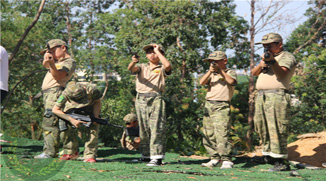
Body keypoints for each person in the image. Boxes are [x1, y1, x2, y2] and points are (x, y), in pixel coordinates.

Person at [251, 33, 296, 172]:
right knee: (262, 126)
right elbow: (254, 73)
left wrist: (273, 62)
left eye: (270, 45)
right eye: (265, 46)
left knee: (277, 127)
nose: (267, 48)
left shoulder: (287, 57)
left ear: (280, 44)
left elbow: (282, 74)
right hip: (262, 96)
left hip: (277, 96)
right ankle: (268, 155)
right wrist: (263, 63)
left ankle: (281, 161)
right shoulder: (266, 57)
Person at [128, 43, 172, 166]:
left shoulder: (162, 67)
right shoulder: (142, 66)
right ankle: (146, 155)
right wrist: (133, 62)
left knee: (156, 127)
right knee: (143, 128)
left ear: (161, 54)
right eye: (149, 52)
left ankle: (157, 157)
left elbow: (168, 65)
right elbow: (131, 69)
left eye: (154, 52)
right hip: (141, 98)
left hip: (155, 98)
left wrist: (158, 51)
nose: (152, 54)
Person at [34, 39, 76, 159]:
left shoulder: (69, 62)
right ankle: (63, 150)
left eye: (53, 51)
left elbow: (58, 77)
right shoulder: (57, 62)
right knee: (55, 122)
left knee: (51, 122)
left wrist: (52, 63)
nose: (51, 54)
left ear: (63, 48)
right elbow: (46, 64)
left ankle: (51, 152)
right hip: (49, 94)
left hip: (55, 92)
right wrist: (49, 59)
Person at [199, 51, 237, 169]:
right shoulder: (212, 73)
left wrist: (220, 71)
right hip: (209, 104)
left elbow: (232, 82)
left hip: (222, 105)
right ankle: (214, 157)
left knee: (222, 132)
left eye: (215, 61)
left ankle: (226, 159)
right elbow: (201, 82)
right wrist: (210, 71)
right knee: (208, 133)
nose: (212, 64)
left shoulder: (229, 72)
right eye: (210, 62)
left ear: (224, 61)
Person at [52, 81, 102, 163]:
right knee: (63, 123)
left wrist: (95, 117)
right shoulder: (66, 93)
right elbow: (55, 109)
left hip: (90, 107)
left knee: (94, 129)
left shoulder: (93, 90)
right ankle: (70, 152)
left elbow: (97, 101)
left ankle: (90, 155)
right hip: (71, 110)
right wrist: (71, 120)